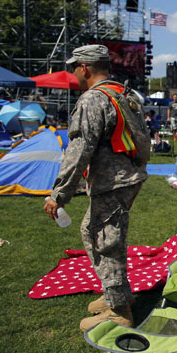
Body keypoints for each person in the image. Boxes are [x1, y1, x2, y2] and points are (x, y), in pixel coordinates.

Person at [43, 44, 148, 331]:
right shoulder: (121, 93)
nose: (74, 72)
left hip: (112, 181)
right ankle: (117, 293)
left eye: (75, 66)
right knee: (93, 232)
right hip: (128, 176)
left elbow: (79, 149)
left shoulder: (93, 100)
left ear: (85, 68)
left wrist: (60, 194)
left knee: (106, 241)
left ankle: (120, 312)